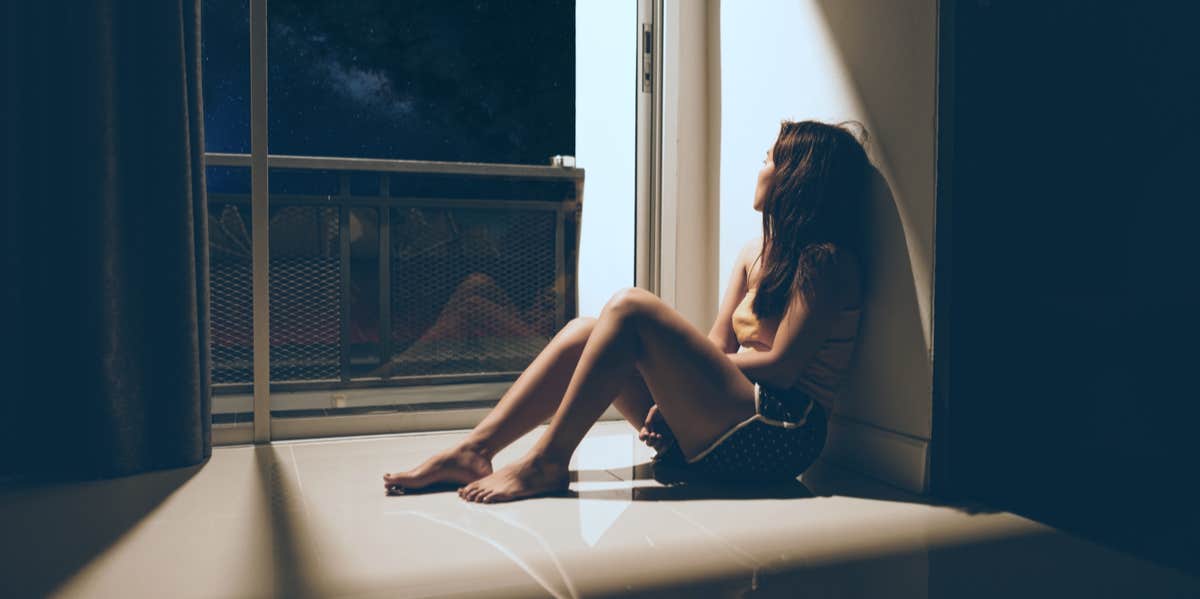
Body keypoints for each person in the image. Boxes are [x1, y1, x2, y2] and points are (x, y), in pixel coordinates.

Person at [382, 120, 870, 503]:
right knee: (584, 332)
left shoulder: (824, 261)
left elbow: (783, 367)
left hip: (781, 432)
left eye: (770, 159)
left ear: (798, 179)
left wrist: (678, 380)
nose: (760, 167)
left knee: (630, 308)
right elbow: (719, 344)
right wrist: (672, 391)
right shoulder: (755, 251)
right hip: (731, 417)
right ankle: (475, 450)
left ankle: (548, 462)